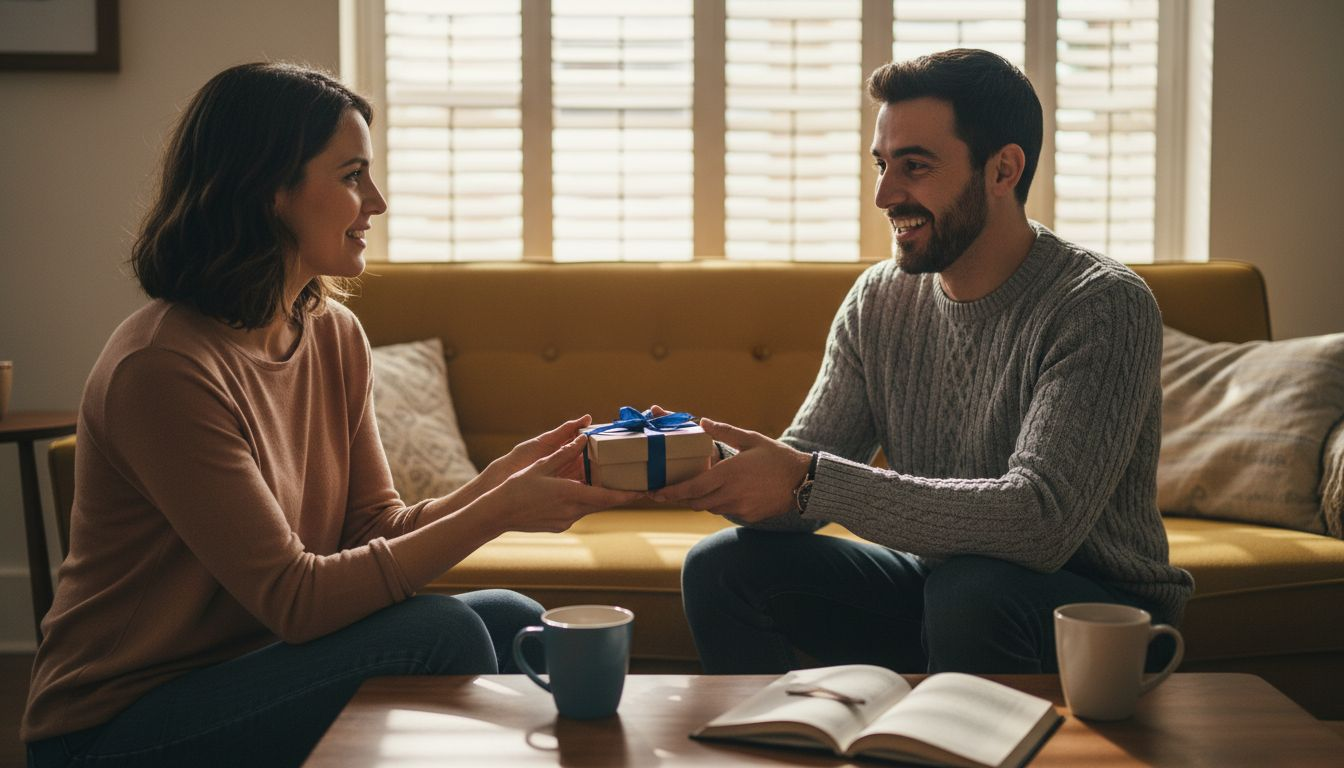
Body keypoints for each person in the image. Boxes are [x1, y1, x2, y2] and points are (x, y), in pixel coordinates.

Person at [22, 62, 639, 767]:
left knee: (514, 619)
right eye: (351, 176)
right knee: (445, 633)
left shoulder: (332, 333)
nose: (376, 200)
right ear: (268, 192)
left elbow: (371, 529)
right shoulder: (164, 368)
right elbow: (296, 599)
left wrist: (497, 485)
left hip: (260, 666)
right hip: (116, 727)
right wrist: (496, 514)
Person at [661, 49, 1194, 675]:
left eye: (915, 166)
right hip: (942, 589)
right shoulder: (879, 299)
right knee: (723, 567)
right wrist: (702, 465)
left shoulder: (1101, 305)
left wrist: (809, 478)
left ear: (1003, 170)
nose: (886, 194)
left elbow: (1041, 522)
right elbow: (799, 481)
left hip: (1095, 610)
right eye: (882, 165)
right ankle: (773, 738)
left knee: (970, 593)